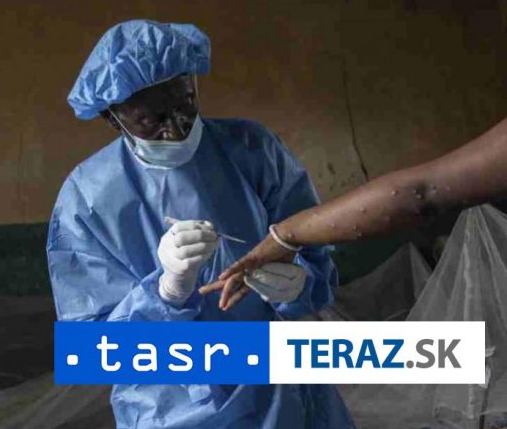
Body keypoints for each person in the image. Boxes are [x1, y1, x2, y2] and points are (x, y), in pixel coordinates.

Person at [47, 20, 367, 429]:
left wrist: (298, 284)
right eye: (151, 121)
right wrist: (165, 292)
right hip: (168, 407)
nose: (176, 130)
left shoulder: (252, 149)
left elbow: (314, 259)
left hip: (275, 388)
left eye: (186, 106)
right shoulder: (88, 197)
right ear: (112, 118)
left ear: (192, 83)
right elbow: (91, 350)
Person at [200, 116, 507, 310]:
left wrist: (287, 235)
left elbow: (422, 193)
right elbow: (421, 192)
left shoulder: (253, 146)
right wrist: (285, 236)